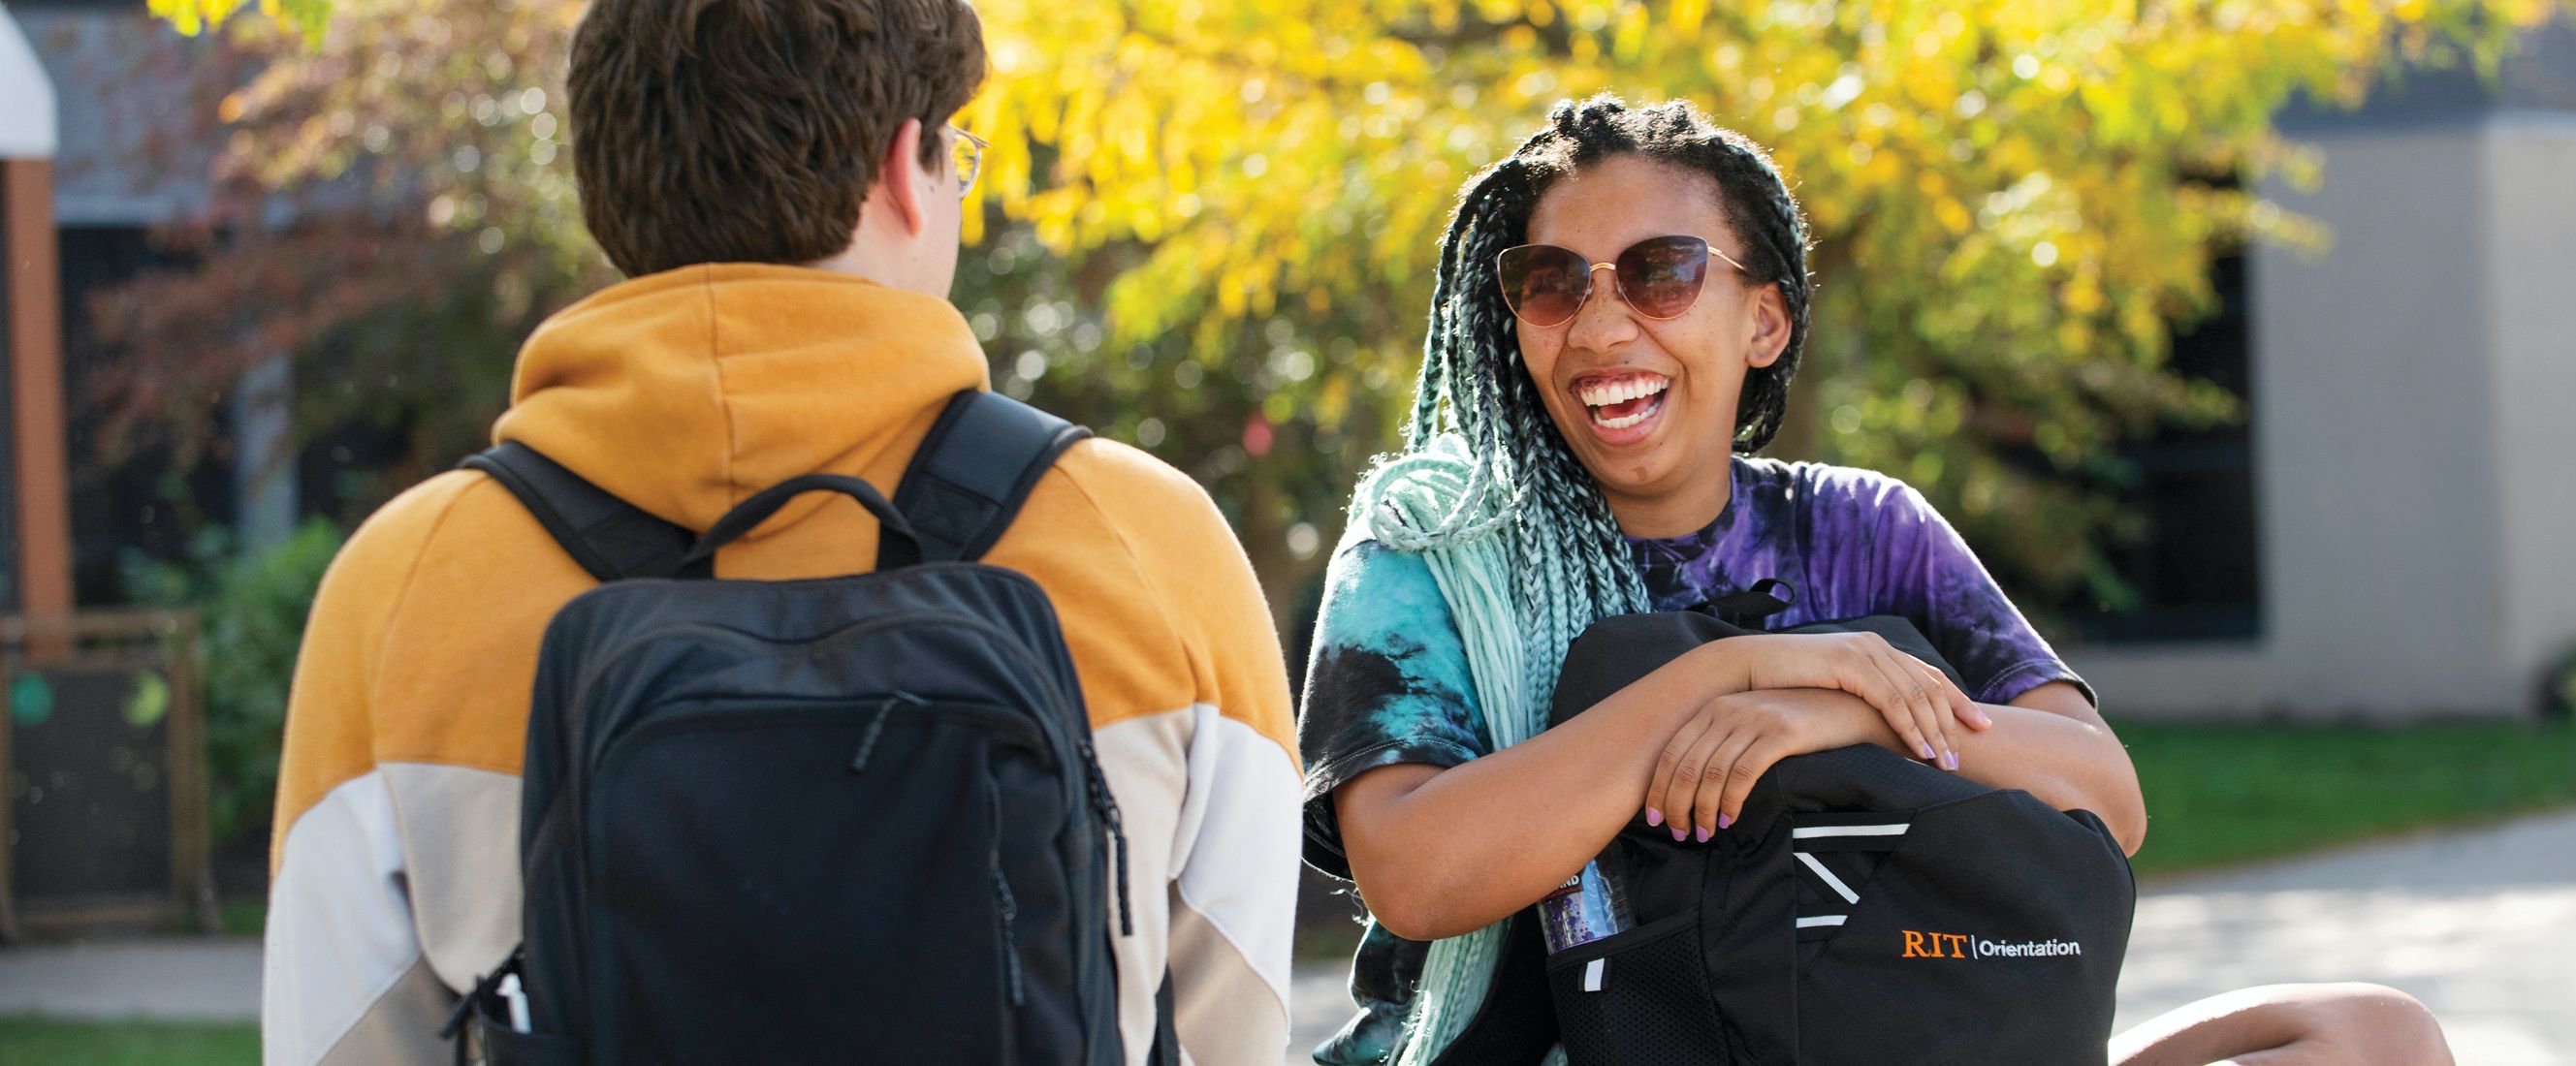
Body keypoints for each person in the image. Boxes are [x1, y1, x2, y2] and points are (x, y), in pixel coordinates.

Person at [1295, 96, 2448, 1066]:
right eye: (1552, 282)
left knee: (2373, 1035)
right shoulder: (1435, 547)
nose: (1600, 324)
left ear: (1763, 317)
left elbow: (2104, 790)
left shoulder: (1861, 526)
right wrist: (1719, 675)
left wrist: (1833, 709)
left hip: (1885, 1026)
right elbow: (1418, 873)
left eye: (1660, 273)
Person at [257, 2, 1299, 1062]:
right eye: (960, 158)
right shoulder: (1148, 542)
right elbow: (1236, 1021)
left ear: (608, 186)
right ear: (907, 165)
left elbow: (339, 1034)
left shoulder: (405, 583)